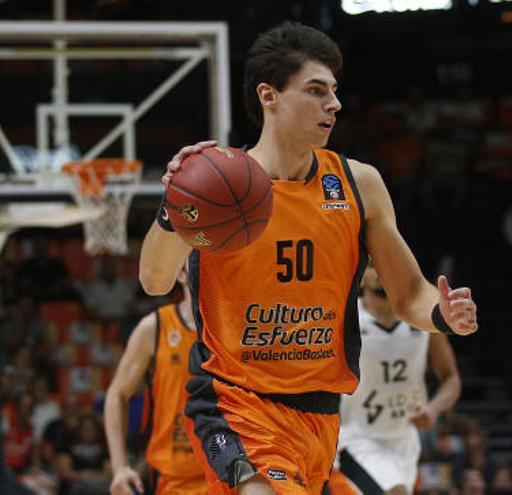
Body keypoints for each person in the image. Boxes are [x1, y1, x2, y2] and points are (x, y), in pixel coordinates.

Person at [139, 21, 479, 495]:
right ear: (269, 96)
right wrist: (176, 202)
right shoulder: (217, 186)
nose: (334, 104)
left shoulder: (360, 185)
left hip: (319, 414)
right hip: (234, 403)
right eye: (316, 91)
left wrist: (444, 314)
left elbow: (409, 295)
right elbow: (155, 280)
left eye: (335, 92)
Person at [333, 264, 461, 494]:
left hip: (405, 439)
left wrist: (433, 409)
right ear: (362, 280)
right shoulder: (346, 320)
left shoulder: (423, 321)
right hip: (358, 438)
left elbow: (451, 379)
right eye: (374, 265)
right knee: (396, 491)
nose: (383, 271)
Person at [104, 269, 207, 495]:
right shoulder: (154, 327)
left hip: (230, 474)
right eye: (195, 257)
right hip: (171, 477)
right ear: (180, 273)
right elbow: (116, 394)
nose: (204, 263)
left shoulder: (237, 327)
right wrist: (119, 468)